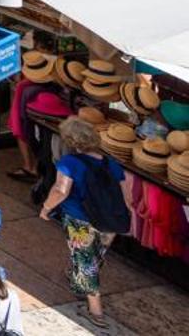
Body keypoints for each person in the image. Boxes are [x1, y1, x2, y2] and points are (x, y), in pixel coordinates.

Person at [41, 114, 134, 330]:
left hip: (79, 220)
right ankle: (77, 275)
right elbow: (127, 198)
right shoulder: (112, 164)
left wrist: (46, 208)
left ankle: (96, 312)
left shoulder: (69, 163)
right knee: (95, 255)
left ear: (70, 141)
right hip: (108, 221)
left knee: (86, 263)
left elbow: (60, 190)